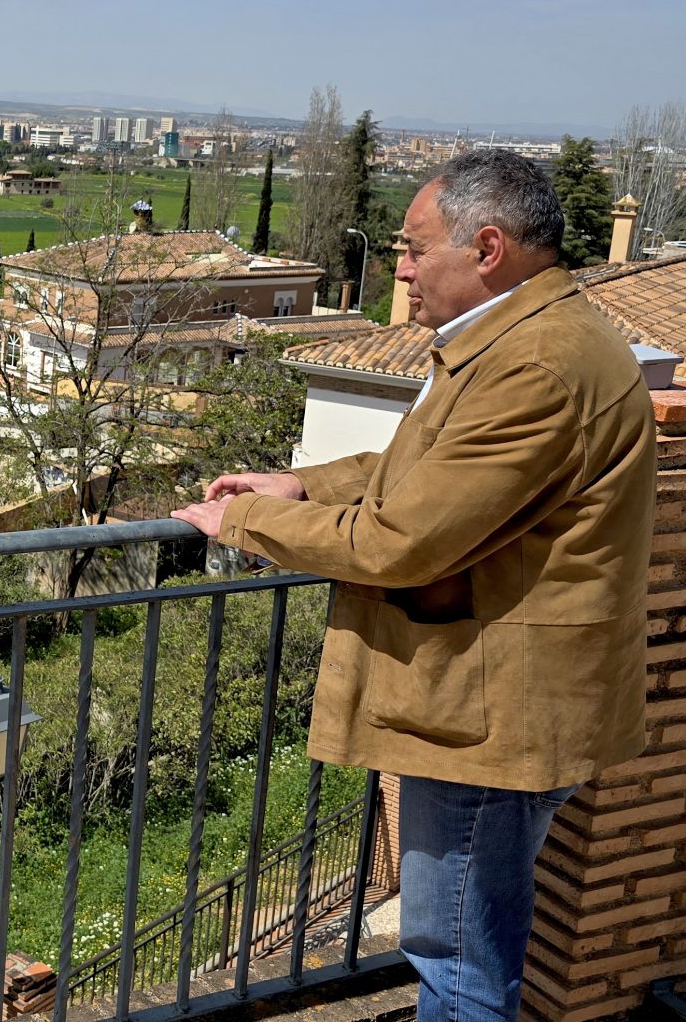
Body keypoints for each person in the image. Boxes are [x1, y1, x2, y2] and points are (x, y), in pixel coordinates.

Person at [171, 148, 655, 1022]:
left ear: (488, 248)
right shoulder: (526, 339)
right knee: (469, 949)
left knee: (458, 962)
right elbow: (427, 472)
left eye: (413, 247)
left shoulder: (534, 367)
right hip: (501, 700)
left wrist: (243, 523)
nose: (399, 268)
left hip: (489, 713)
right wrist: (304, 485)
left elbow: (401, 538)